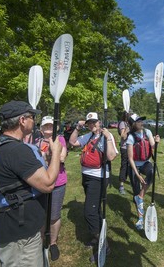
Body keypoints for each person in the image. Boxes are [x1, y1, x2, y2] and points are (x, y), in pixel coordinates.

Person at [0, 100, 62, 267]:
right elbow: (47, 184)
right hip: (19, 233)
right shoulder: (16, 151)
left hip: (13, 222)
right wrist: (56, 152)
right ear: (22, 120)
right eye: (32, 117)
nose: (34, 121)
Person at [69, 112, 117, 259]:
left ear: (99, 122)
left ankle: (104, 246)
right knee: (95, 210)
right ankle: (97, 236)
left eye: (94, 122)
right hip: (87, 176)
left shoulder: (106, 136)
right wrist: (77, 128)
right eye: (89, 122)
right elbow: (72, 143)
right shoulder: (88, 136)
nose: (92, 125)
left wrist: (108, 138)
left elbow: (111, 156)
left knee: (90, 211)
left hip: (99, 178)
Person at [36, 115, 68, 261]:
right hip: (39, 182)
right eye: (45, 127)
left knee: (54, 215)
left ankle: (53, 242)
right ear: (41, 129)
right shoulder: (36, 142)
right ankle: (42, 240)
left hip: (57, 182)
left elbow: (62, 158)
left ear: (55, 127)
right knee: (41, 214)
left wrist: (49, 153)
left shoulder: (60, 140)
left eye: (51, 126)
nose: (48, 129)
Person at [126, 113, 160, 230]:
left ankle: (141, 195)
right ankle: (140, 219)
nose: (142, 122)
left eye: (141, 120)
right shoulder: (130, 137)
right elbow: (130, 158)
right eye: (139, 121)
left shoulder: (147, 132)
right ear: (134, 124)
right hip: (134, 165)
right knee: (135, 191)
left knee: (151, 172)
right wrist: (137, 174)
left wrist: (156, 142)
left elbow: (152, 146)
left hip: (145, 162)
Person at [117, 111, 130, 194]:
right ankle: (121, 185)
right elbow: (123, 136)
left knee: (133, 165)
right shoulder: (122, 123)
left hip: (132, 147)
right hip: (125, 148)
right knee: (124, 165)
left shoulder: (129, 123)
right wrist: (127, 130)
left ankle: (133, 181)